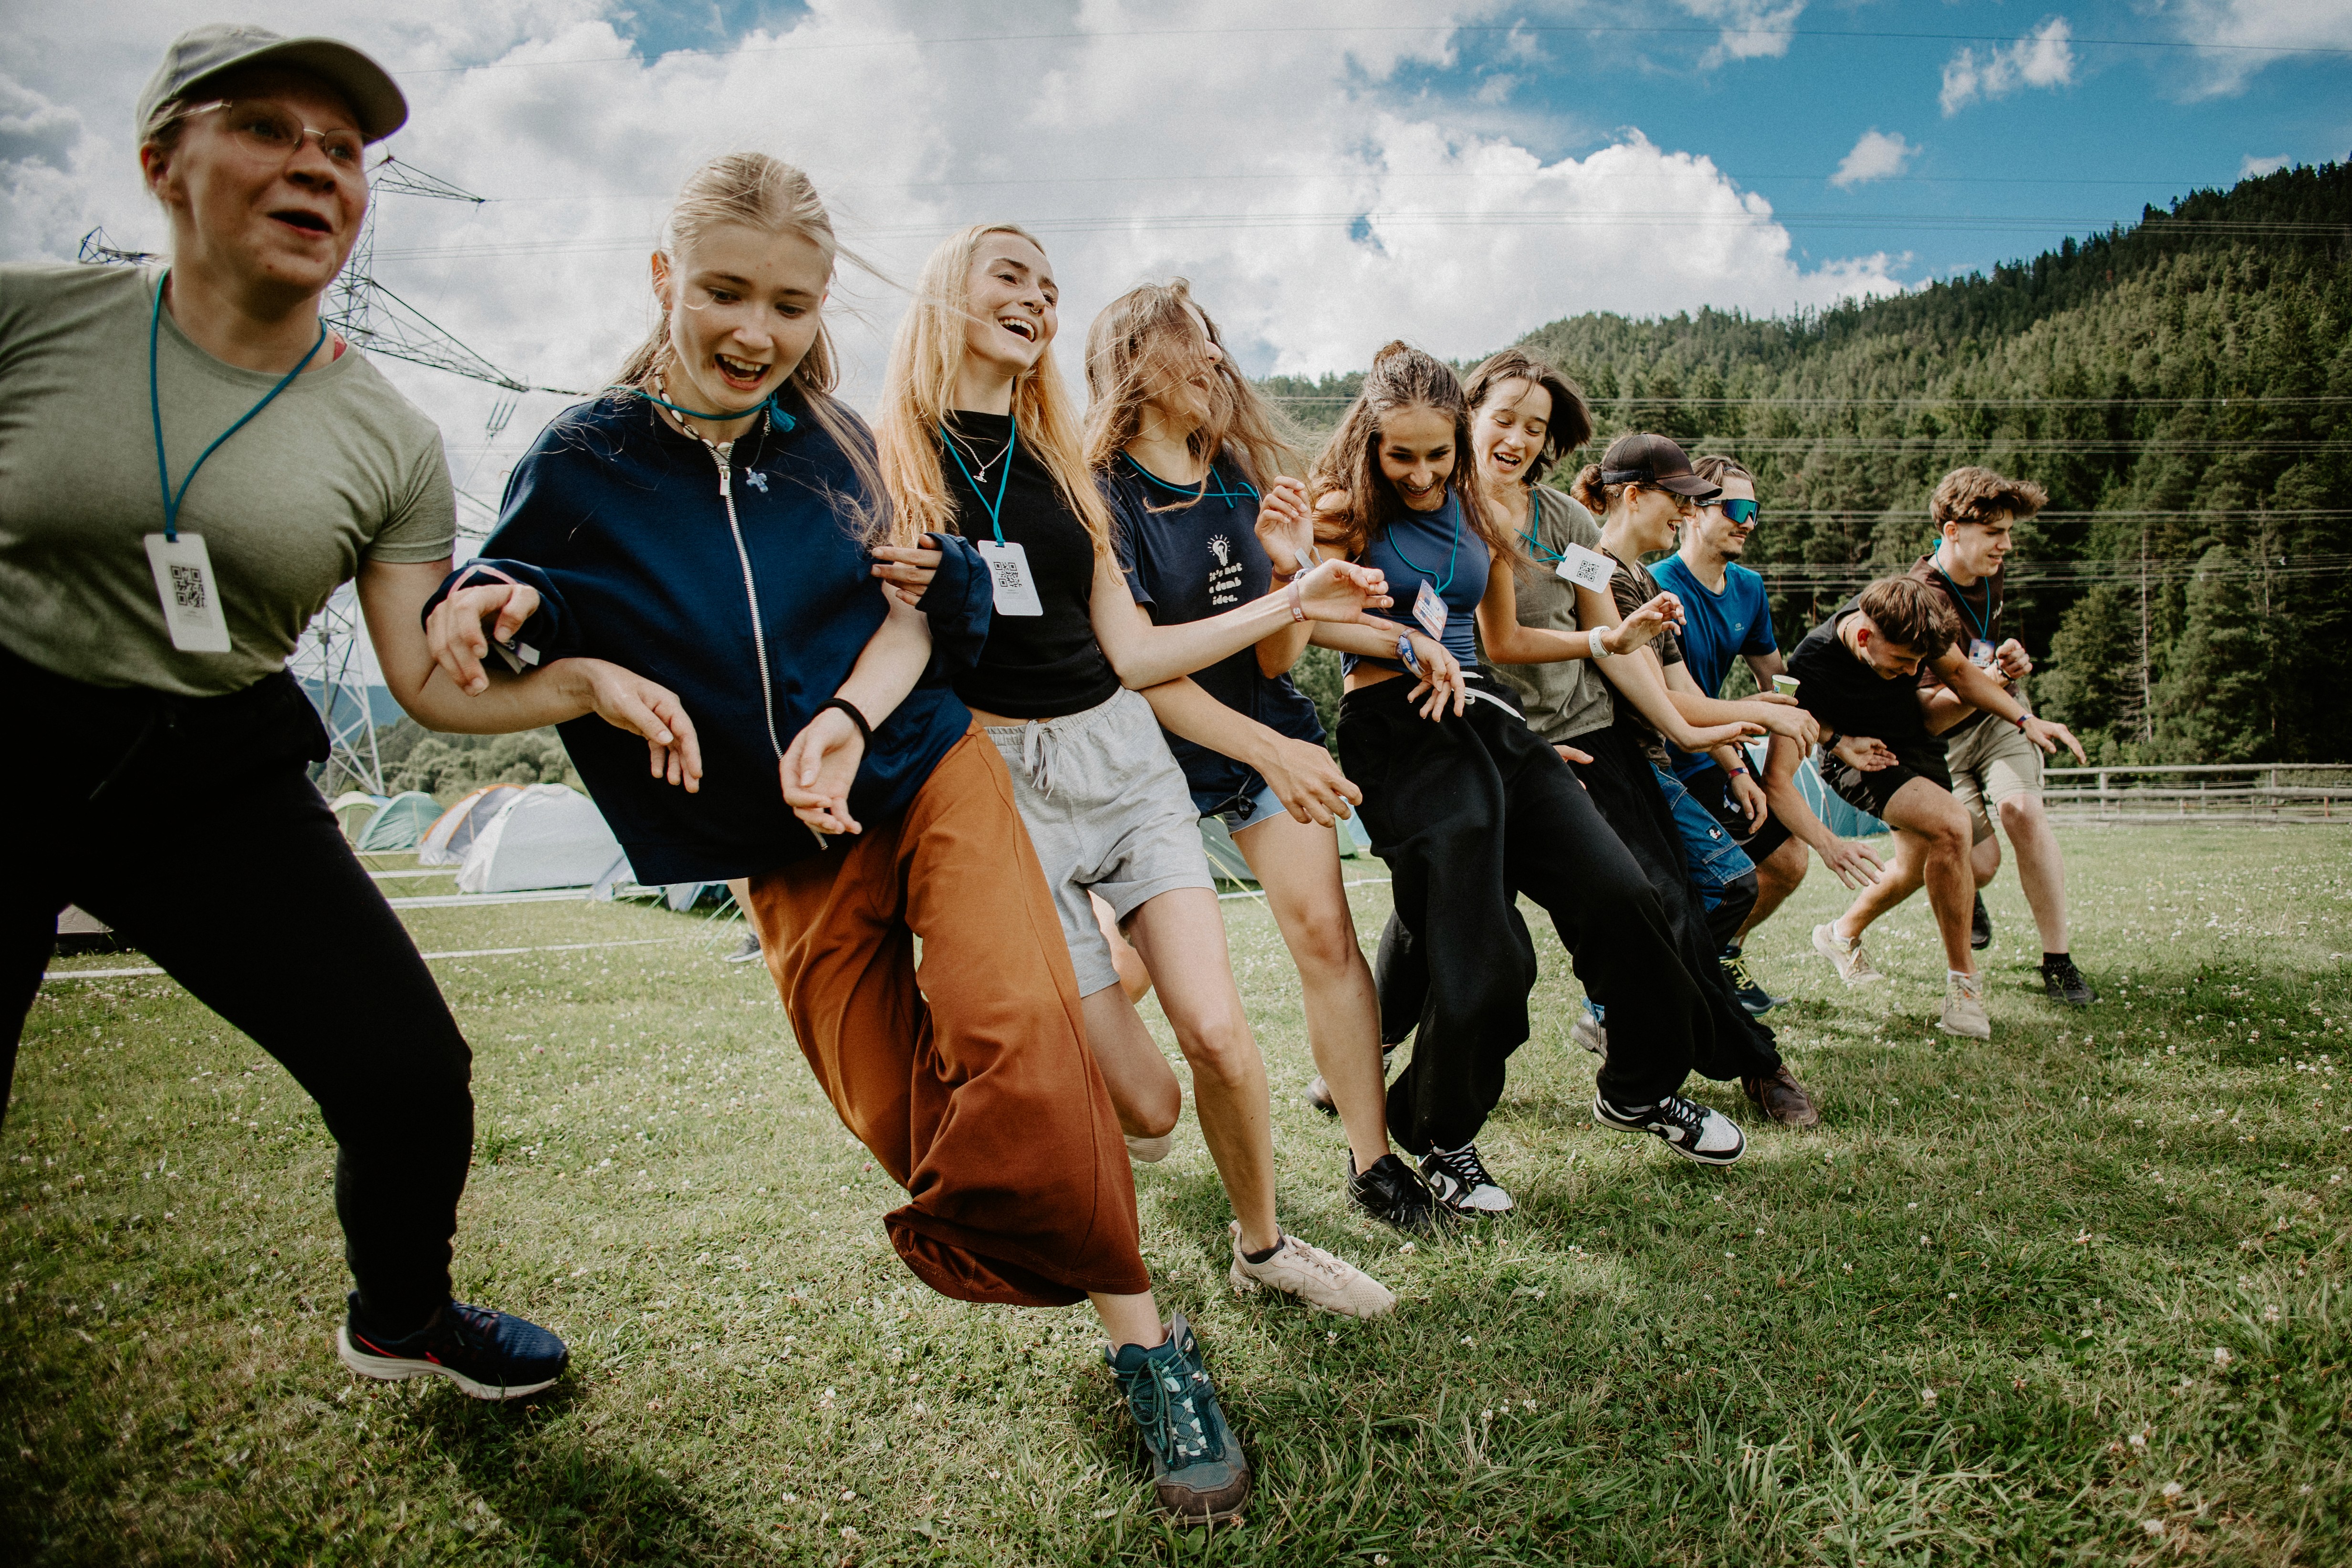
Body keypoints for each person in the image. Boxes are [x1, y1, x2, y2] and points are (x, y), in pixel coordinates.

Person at [418, 163, 1254, 1522]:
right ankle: (1074, 1188)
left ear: (824, 310)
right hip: (781, 845)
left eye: (792, 304)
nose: (759, 331)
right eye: (728, 293)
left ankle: (1152, 1351)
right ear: (661, 278)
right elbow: (512, 603)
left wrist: (857, 715)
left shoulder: (838, 450)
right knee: (903, 1125)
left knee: (1025, 1054)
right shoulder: (582, 460)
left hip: (925, 768)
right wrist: (511, 613)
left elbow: (919, 616)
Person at [0, 24, 574, 1399]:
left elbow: (427, 675)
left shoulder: (390, 437)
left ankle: (402, 1313)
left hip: (212, 767)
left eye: (346, 151)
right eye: (267, 128)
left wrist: (586, 682)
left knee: (410, 1076)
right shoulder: (31, 322)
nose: (317, 167)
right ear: (162, 163)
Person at [870, 228, 1400, 1325]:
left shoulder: (1060, 464)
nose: (1036, 296)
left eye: (1049, 286)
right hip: (1007, 791)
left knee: (1218, 1032)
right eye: (1009, 275)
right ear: (945, 295)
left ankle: (1262, 1243)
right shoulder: (893, 461)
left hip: (1123, 764)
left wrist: (1295, 596)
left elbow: (1139, 657)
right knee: (1150, 1110)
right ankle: (1086, 1122)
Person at [1298, 342, 1753, 1216]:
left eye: (1440, 454)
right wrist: (1404, 639)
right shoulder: (1340, 509)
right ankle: (1442, 1138)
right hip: (1398, 728)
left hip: (1487, 715)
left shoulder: (1486, 512)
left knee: (1630, 897)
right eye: (1405, 455)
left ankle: (1638, 1086)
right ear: (1371, 442)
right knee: (1490, 953)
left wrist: (1598, 651)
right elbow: (1309, 622)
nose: (1426, 473)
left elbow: (1501, 639)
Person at [1082, 278, 1437, 1232]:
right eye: (1188, 343)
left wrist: (1285, 567)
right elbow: (1147, 673)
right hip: (1154, 762)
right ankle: (1108, 1091)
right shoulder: (1098, 496)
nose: (1212, 359)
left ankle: (1374, 1160)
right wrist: (1265, 749)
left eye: (1211, 340)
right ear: (1135, 360)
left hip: (1263, 726)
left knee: (1326, 936)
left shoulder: (1236, 472)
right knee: (1126, 972)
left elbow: (1281, 648)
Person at [1468, 370, 1836, 1129]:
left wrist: (1697, 730)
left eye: (1535, 427)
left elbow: (1613, 649)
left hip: (1594, 744)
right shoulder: (1456, 518)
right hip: (1494, 745)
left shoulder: (1570, 529)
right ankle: (1367, 1048)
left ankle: (1745, 1063)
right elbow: (1549, 639)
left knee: (1667, 905)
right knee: (1453, 926)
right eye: (1506, 420)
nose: (1518, 439)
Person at [1774, 576, 2084, 1038]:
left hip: (1916, 746)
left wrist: (2025, 718)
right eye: (1902, 662)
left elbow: (1959, 676)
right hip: (1861, 757)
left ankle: (1838, 933)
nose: (1910, 674)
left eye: (1918, 663)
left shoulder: (1912, 624)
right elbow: (1781, 767)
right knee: (1951, 826)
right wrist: (1836, 759)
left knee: (1935, 865)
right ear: (1863, 638)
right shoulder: (1810, 664)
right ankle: (1964, 990)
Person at [1909, 467, 2096, 1006]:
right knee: (1981, 865)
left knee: (2021, 810)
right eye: (1995, 533)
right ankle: (1966, 887)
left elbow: (1982, 649)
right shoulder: (1919, 598)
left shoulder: (1989, 572)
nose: (2006, 545)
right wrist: (1992, 679)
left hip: (1999, 716)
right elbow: (1927, 714)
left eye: (2008, 532)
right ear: (1951, 531)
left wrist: (2007, 657)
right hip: (1945, 735)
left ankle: (2057, 962)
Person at [1648, 456, 1818, 1012]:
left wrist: (1830, 736)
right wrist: (1738, 768)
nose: (1748, 522)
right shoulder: (1657, 586)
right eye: (1736, 508)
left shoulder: (1748, 588)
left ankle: (1724, 955)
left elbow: (1779, 679)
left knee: (1787, 861)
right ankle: (1673, 988)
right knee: (1705, 883)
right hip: (1664, 755)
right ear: (1692, 510)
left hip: (1716, 753)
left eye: (1754, 510)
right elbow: (1684, 701)